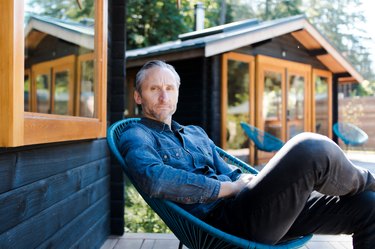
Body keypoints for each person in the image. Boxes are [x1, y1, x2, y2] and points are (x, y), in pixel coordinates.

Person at [120, 60, 375, 248]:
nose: (164, 96)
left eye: (169, 88)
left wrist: (260, 183)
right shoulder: (137, 134)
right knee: (309, 147)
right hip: (225, 224)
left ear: (177, 92)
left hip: (256, 209)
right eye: (154, 89)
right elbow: (155, 179)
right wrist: (228, 188)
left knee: (369, 207)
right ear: (138, 96)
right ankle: (370, 180)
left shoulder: (195, 133)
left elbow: (231, 173)